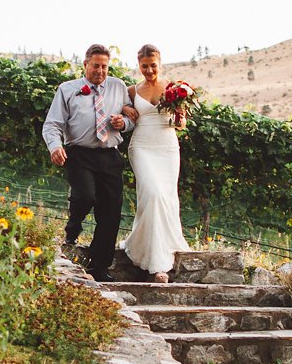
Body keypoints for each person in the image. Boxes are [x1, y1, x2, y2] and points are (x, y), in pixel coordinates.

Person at [41, 43, 130, 279]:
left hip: (110, 154)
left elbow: (130, 115)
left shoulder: (118, 86)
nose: (100, 71)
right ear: (85, 64)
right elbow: (52, 124)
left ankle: (99, 267)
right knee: (85, 196)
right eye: (96, 66)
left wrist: (124, 123)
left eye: (104, 67)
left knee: (110, 211)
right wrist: (55, 146)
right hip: (79, 153)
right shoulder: (67, 89)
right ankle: (73, 227)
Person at [121, 43, 190, 282]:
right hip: (141, 146)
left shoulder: (175, 89)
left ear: (160, 64)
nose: (149, 70)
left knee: (165, 196)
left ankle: (158, 253)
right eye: (144, 66)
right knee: (152, 194)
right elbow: (114, 105)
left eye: (153, 66)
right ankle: (157, 265)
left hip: (167, 147)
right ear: (138, 65)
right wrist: (124, 107)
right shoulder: (131, 91)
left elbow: (180, 125)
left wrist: (180, 116)